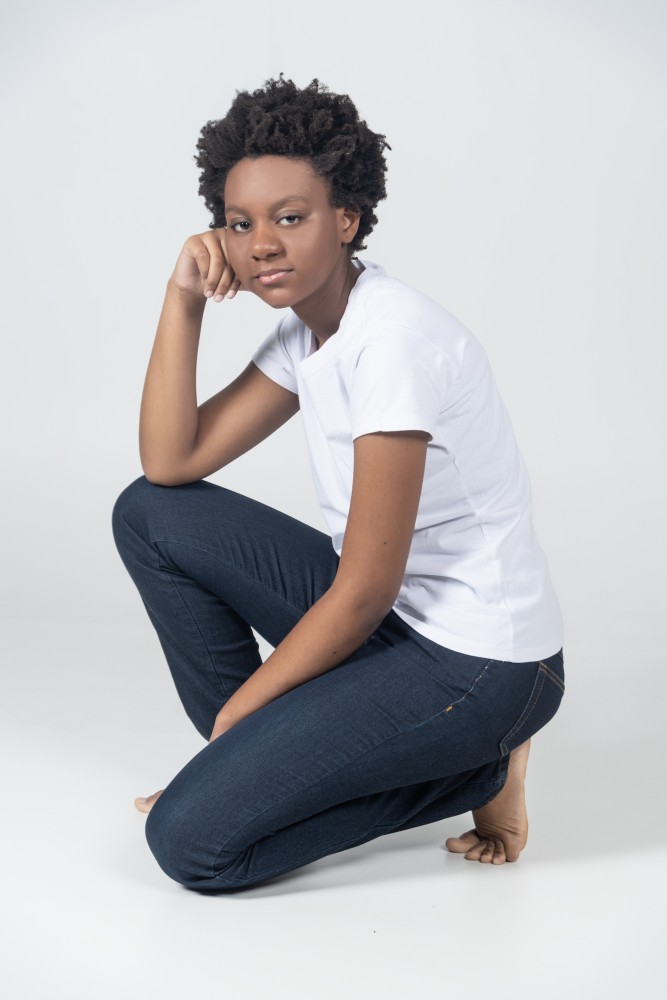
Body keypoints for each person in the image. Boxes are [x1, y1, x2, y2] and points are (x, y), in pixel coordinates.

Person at [111, 75, 565, 892]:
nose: (261, 245)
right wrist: (183, 300)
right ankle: (255, 766)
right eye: (240, 224)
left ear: (346, 218)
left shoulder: (391, 342)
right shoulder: (309, 331)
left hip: (480, 667)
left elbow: (361, 590)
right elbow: (170, 464)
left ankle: (479, 770)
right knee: (150, 515)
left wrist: (235, 722)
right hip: (396, 627)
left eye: (290, 218)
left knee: (190, 845)